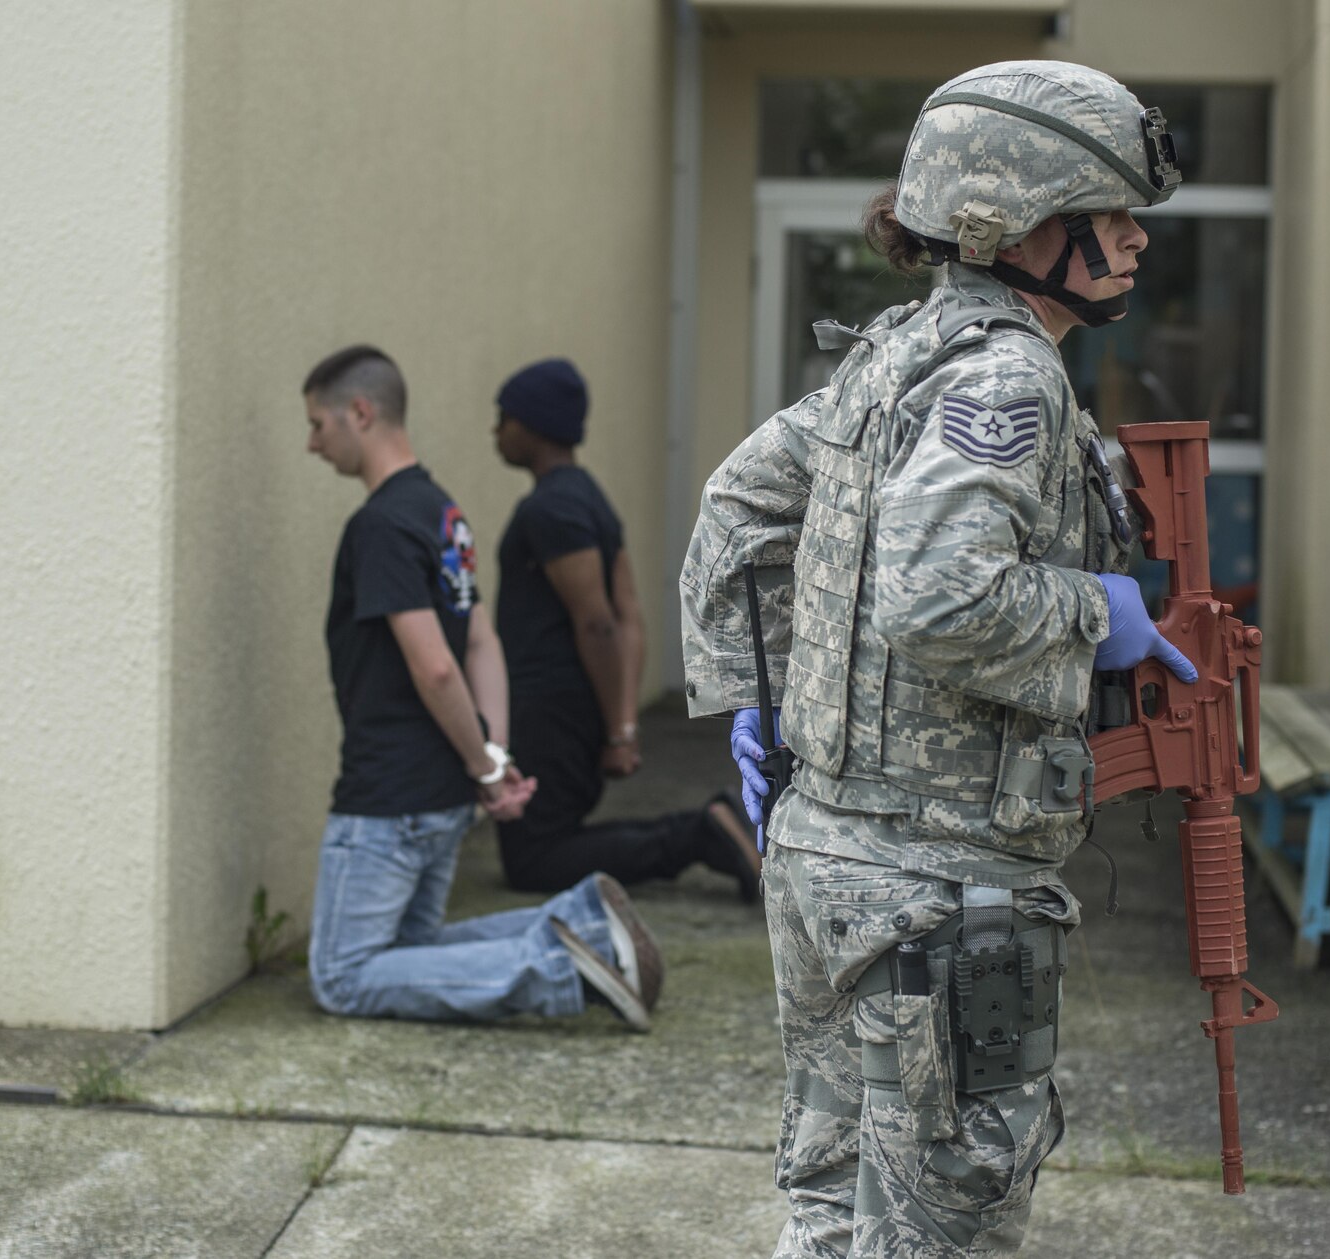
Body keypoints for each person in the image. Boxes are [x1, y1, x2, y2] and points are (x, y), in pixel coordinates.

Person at [680, 62, 1198, 1256]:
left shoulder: (896, 349)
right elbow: (939, 595)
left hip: (824, 860)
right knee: (938, 1226)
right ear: (1015, 224)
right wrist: (1095, 611)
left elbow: (738, 506)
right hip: (935, 886)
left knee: (827, 1208)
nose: (1132, 240)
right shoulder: (1008, 373)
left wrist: (759, 704)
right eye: (1106, 215)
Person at [302, 344, 664, 1032]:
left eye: (319, 424)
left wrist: (484, 767)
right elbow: (481, 641)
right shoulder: (445, 515)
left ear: (360, 412)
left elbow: (437, 664)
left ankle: (562, 965)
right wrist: (492, 755)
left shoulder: (380, 524)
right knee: (403, 954)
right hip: (439, 795)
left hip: (389, 798)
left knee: (343, 973)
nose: (312, 443)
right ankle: (581, 921)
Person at [488, 357, 762, 901]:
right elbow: (630, 614)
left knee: (535, 859)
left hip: (551, 710)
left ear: (532, 424)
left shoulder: (552, 509)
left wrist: (619, 731)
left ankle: (700, 834)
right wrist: (623, 720)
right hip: (571, 707)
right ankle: (702, 830)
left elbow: (599, 622)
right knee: (545, 844)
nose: (495, 430)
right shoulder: (586, 497)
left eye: (503, 417)